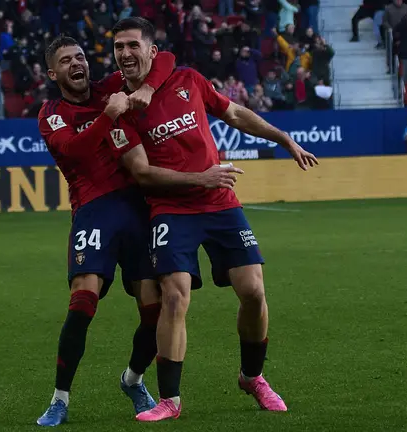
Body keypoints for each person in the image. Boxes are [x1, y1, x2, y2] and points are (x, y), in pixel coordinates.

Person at [105, 17, 319, 422]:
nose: (126, 53)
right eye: (119, 47)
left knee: (253, 290)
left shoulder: (187, 79)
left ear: (152, 51)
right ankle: (170, 400)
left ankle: (252, 377)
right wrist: (200, 177)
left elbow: (234, 112)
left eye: (133, 45)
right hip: (171, 209)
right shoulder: (118, 110)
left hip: (220, 202)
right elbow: (143, 173)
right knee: (175, 295)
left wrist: (284, 138)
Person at [34, 36, 241, 427]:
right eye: (65, 61)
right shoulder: (51, 113)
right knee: (83, 302)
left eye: (80, 56)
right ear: (53, 74)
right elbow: (75, 151)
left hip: (137, 208)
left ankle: (133, 378)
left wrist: (145, 90)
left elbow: (166, 57)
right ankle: (60, 399)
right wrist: (108, 116)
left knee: (154, 308)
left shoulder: (110, 88)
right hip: (94, 212)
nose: (76, 64)